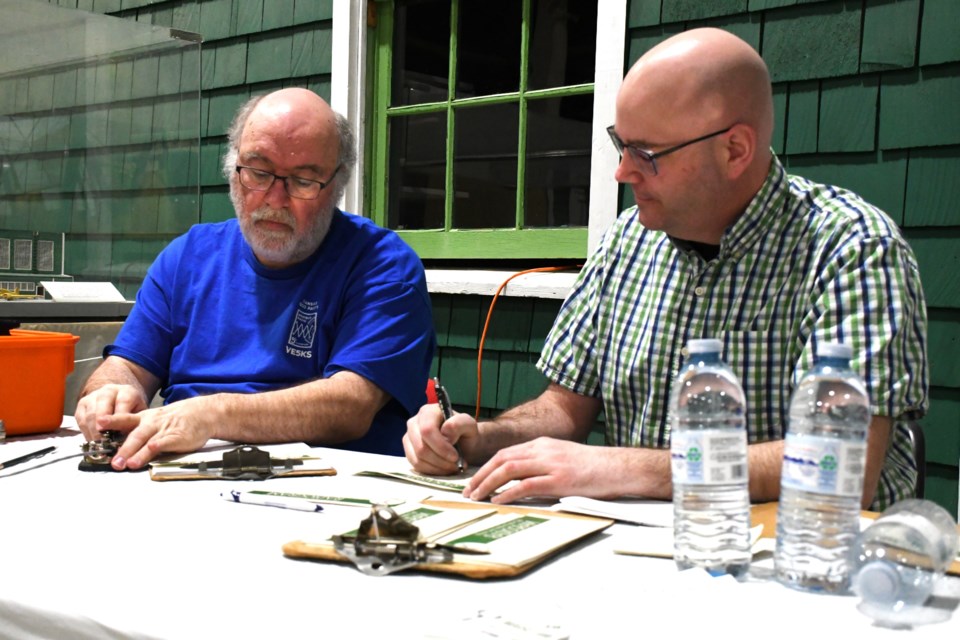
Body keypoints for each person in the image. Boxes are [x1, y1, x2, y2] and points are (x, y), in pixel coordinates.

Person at [403, 28, 927, 511]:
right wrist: (480, 438)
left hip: (800, 568)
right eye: (621, 143)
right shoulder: (630, 239)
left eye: (646, 152)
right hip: (641, 555)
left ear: (735, 150)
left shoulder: (851, 248)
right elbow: (565, 408)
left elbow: (843, 464)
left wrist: (625, 467)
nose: (622, 171)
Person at [76, 88, 435, 469]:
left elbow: (350, 405)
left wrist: (210, 415)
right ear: (233, 169)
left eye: (302, 181)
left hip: (326, 485)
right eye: (259, 173)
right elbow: (128, 366)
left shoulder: (383, 265)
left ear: (337, 185)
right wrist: (109, 393)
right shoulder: (187, 256)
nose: (274, 199)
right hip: (180, 475)